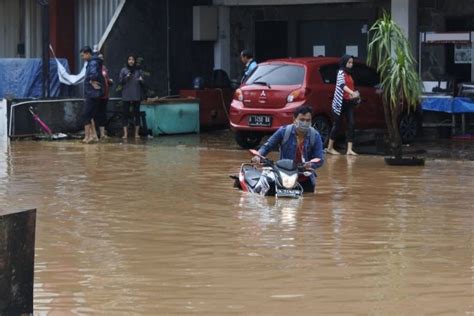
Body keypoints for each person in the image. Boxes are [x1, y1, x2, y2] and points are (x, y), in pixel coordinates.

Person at [251, 106, 324, 193]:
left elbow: (319, 158)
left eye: (308, 120)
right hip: (284, 175)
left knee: (307, 200)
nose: (305, 123)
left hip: (305, 177)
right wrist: (258, 156)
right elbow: (267, 146)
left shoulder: (315, 135)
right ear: (294, 119)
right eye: (302, 119)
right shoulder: (284, 131)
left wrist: (310, 164)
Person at [327, 55, 360, 155]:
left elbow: (351, 86)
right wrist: (352, 93)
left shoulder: (349, 74)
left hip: (348, 102)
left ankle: (349, 149)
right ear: (344, 62)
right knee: (337, 125)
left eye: (352, 62)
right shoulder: (341, 72)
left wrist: (355, 95)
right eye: (349, 62)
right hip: (339, 102)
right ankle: (329, 148)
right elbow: (342, 85)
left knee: (351, 123)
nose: (351, 64)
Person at [80, 46, 104, 143]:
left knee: (86, 114)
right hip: (93, 92)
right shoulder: (93, 62)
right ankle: (92, 136)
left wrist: (91, 80)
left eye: (83, 55)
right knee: (90, 115)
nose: (82, 58)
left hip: (92, 93)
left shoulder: (93, 62)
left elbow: (94, 74)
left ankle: (88, 136)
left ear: (88, 53)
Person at [119, 54, 144, 139]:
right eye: (129, 59)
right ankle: (125, 134)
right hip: (126, 95)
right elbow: (120, 82)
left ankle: (136, 134)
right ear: (127, 61)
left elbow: (143, 83)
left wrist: (141, 80)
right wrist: (126, 77)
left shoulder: (139, 71)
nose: (131, 61)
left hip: (136, 95)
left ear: (135, 61)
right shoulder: (123, 70)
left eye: (132, 59)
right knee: (125, 114)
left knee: (136, 114)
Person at [93, 53, 113, 140]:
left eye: (102, 57)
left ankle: (102, 134)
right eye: (99, 57)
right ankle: (94, 134)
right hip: (96, 95)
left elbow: (106, 78)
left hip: (105, 95)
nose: (101, 59)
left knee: (103, 114)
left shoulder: (104, 68)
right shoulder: (93, 68)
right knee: (95, 114)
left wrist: (109, 81)